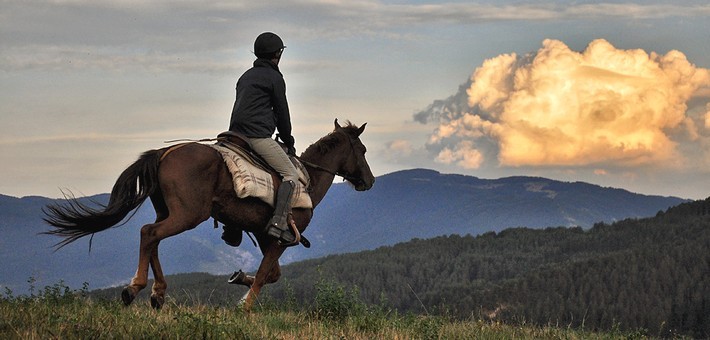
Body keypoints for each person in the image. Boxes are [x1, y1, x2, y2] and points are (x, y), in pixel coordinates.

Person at [228, 32, 299, 244]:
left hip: (233, 136)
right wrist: (289, 140)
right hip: (256, 136)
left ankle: (231, 228)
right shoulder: (275, 78)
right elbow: (282, 113)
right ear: (277, 54)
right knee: (290, 174)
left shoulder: (245, 76)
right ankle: (278, 223)